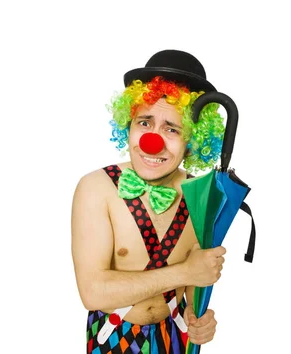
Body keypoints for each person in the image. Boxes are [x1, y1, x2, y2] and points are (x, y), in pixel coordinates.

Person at [72, 49, 227, 353]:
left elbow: (196, 284)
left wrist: (197, 317)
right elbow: (93, 292)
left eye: (172, 129)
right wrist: (186, 272)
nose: (151, 141)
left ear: (193, 140)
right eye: (144, 122)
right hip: (113, 339)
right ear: (128, 126)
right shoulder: (96, 189)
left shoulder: (202, 195)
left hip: (175, 337)